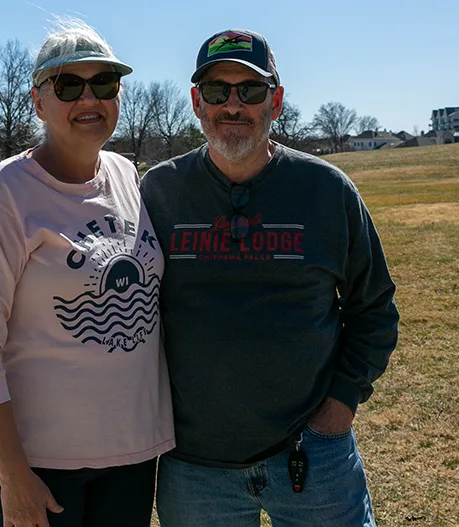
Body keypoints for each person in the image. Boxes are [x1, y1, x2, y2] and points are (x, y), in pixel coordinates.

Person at [139, 29, 400, 526]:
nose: (232, 105)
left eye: (250, 90)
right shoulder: (160, 192)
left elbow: (375, 308)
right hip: (194, 465)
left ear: (275, 101)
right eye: (217, 91)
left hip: (312, 455)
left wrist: (341, 403)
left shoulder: (325, 190)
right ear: (197, 102)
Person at [0, 20, 174, 527]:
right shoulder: (1, 194)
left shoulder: (124, 174)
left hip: (131, 455)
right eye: (68, 84)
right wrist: (12, 475)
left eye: (105, 83)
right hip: (40, 466)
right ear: (37, 102)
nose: (89, 97)